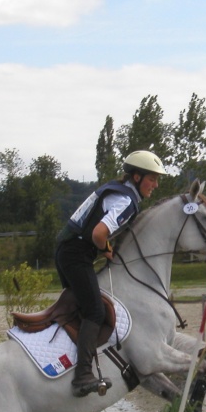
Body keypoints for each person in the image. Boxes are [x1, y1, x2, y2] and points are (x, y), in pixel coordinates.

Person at [54, 150, 167, 397]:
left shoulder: (116, 189)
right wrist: (106, 249)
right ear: (137, 177)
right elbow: (98, 234)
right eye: (152, 179)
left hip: (66, 250)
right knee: (95, 311)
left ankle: (65, 364)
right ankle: (82, 375)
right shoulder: (127, 200)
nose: (155, 185)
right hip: (77, 254)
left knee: (80, 309)